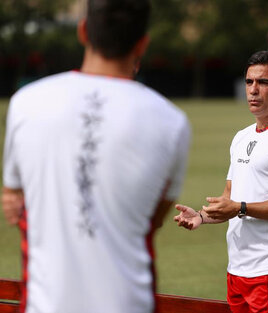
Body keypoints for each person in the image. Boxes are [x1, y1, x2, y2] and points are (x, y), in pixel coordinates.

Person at [2, 1, 191, 312]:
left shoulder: (26, 102)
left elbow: (15, 204)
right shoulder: (172, 122)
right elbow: (152, 218)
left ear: (82, 31)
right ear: (142, 44)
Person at [174, 50, 268, 313]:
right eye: (249, 82)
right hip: (237, 271)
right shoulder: (242, 136)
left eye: (264, 82)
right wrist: (201, 216)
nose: (253, 90)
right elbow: (230, 199)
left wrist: (240, 208)